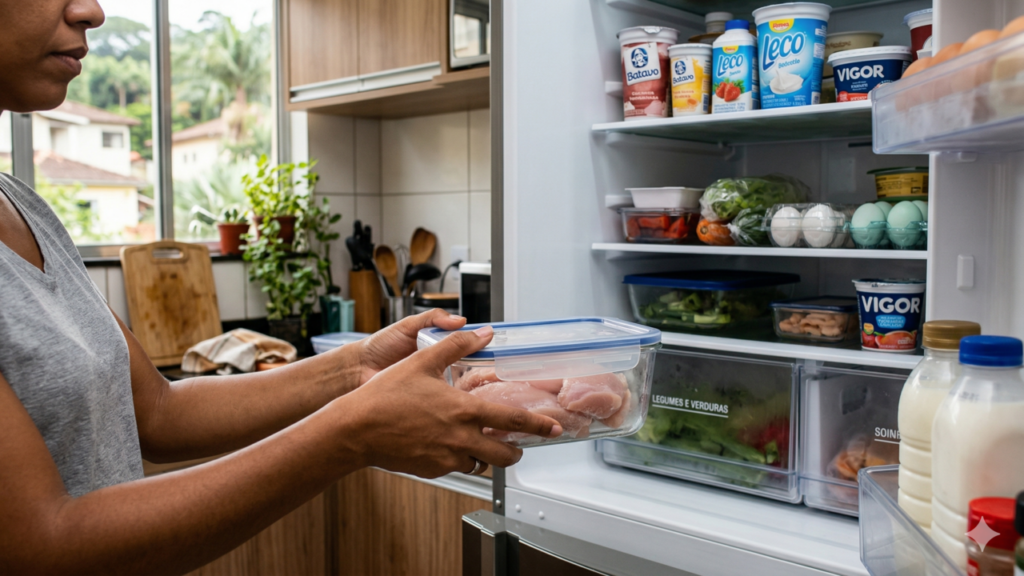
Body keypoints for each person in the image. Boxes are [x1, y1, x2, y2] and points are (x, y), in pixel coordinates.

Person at [0, 1, 562, 573]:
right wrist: (353, 433)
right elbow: (42, 547)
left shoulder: (26, 209)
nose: (92, 11)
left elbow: (158, 415)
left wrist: (353, 369)